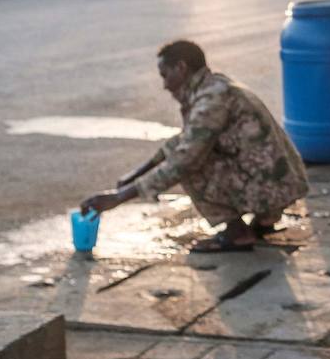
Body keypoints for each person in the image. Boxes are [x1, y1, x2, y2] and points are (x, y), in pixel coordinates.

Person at [81, 40, 309, 253]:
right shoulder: (216, 86)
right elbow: (183, 140)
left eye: (165, 75)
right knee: (185, 152)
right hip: (280, 183)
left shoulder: (210, 100)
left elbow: (184, 159)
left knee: (188, 165)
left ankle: (237, 233)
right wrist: (135, 175)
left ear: (181, 68)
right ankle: (264, 220)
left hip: (271, 187)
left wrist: (119, 197)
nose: (165, 85)